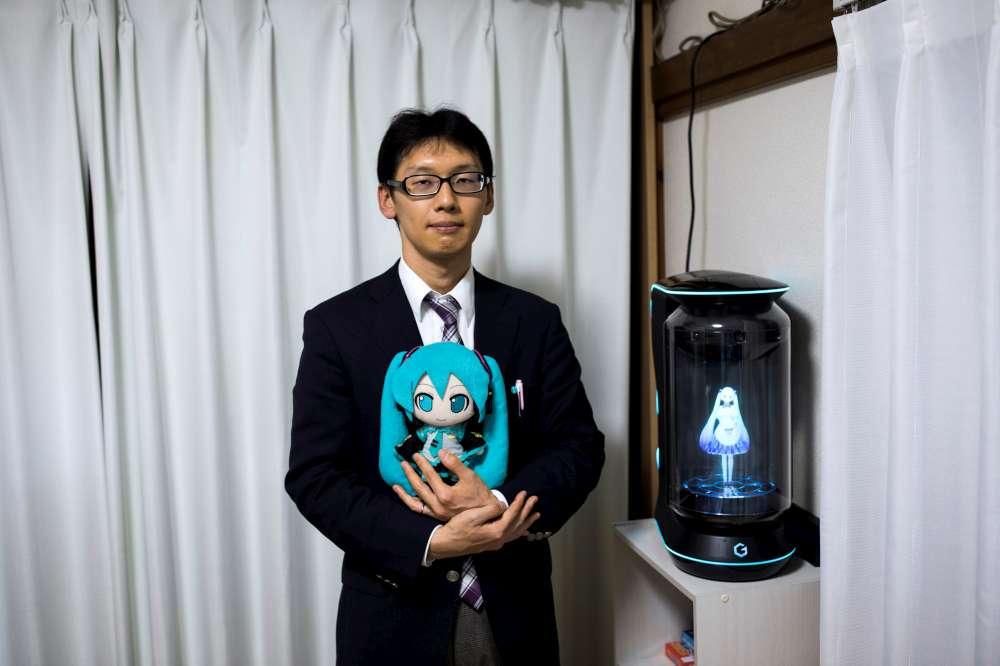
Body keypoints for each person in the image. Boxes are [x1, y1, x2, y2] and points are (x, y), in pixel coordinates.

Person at [286, 107, 604, 665]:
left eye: (465, 180)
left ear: (489, 196)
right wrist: (429, 541)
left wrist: (498, 505)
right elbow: (316, 476)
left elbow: (579, 448)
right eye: (422, 183)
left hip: (516, 613)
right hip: (393, 615)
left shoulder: (535, 321)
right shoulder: (337, 327)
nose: (447, 200)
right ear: (388, 200)